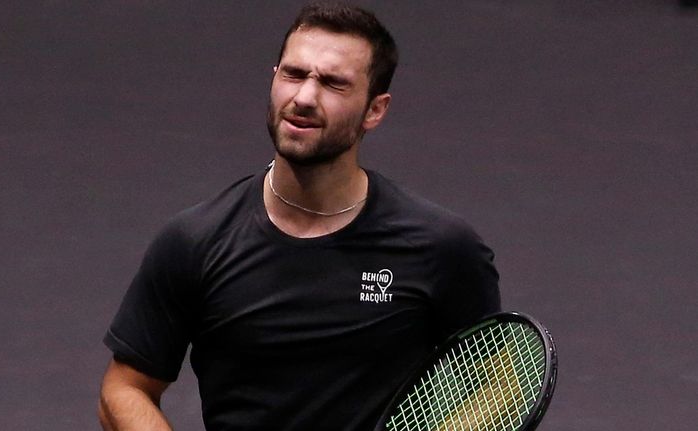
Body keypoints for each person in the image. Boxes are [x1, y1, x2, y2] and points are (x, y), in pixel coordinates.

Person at [98, 3, 500, 430]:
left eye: (333, 83)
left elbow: (499, 382)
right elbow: (124, 389)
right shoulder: (194, 241)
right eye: (293, 74)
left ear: (375, 110)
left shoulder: (440, 246)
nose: (304, 97)